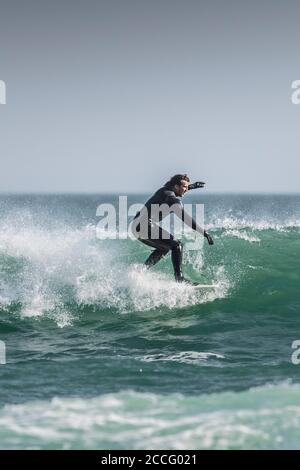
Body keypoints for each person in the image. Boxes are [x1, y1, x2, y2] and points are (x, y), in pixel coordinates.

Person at [132, 174, 214, 285]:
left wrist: (192, 186)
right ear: (176, 186)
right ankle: (179, 279)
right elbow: (186, 219)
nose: (186, 189)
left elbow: (175, 190)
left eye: (186, 187)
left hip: (136, 226)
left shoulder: (165, 190)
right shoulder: (173, 200)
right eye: (184, 187)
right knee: (176, 245)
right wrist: (204, 232)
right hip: (143, 225)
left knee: (165, 248)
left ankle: (140, 272)